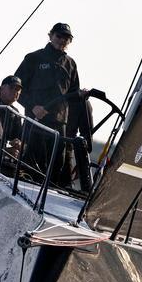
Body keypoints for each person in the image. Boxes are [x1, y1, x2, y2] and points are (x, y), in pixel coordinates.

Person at [15, 23, 85, 182]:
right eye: (59, 36)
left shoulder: (71, 64)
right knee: (31, 164)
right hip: (35, 121)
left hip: (59, 124)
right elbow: (16, 88)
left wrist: (82, 95)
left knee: (56, 167)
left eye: (66, 38)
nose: (62, 40)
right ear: (50, 35)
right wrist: (32, 107)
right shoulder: (33, 58)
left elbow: (73, 95)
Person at [0, 75, 24, 167]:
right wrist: (4, 151)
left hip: (5, 162)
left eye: (18, 89)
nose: (15, 91)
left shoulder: (16, 113)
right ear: (1, 89)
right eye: (12, 88)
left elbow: (18, 137)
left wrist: (18, 144)